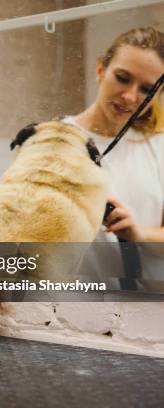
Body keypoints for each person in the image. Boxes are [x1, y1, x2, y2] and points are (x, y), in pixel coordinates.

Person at [62, 27, 164, 282]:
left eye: (147, 89)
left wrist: (138, 233)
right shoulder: (54, 141)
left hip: (148, 309)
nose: (130, 97)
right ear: (100, 70)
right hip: (73, 306)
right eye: (123, 78)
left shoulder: (159, 146)